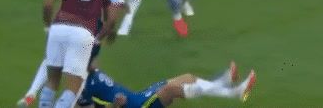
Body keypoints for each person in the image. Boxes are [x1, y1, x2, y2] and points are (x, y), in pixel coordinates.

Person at [39, 0, 122, 108]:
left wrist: (49, 27)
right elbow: (112, 19)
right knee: (74, 87)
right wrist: (98, 39)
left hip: (59, 27)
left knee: (52, 80)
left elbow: (48, 4)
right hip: (84, 32)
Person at [77, 62, 256, 107]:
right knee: (172, 90)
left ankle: (223, 82)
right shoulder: (82, 89)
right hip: (136, 106)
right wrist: (115, 106)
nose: (94, 61)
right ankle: (233, 92)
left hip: (138, 97)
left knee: (187, 77)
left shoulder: (93, 72)